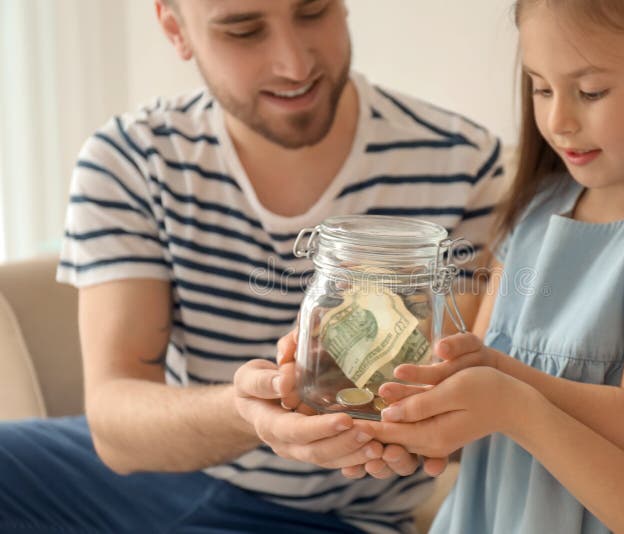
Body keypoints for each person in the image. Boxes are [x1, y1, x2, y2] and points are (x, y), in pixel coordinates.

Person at [0, 1, 506, 533]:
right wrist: (248, 414)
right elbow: (114, 424)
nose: (294, 64)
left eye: (313, 11)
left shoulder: (464, 165)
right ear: (176, 29)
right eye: (243, 31)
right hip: (166, 470)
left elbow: (452, 397)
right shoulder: (132, 159)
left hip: (328, 518)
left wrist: (419, 423)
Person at [315, 0, 624, 533]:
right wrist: (363, 391)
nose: (559, 120)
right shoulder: (536, 209)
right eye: (540, 87)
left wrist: (503, 385)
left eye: (591, 91)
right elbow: (469, 366)